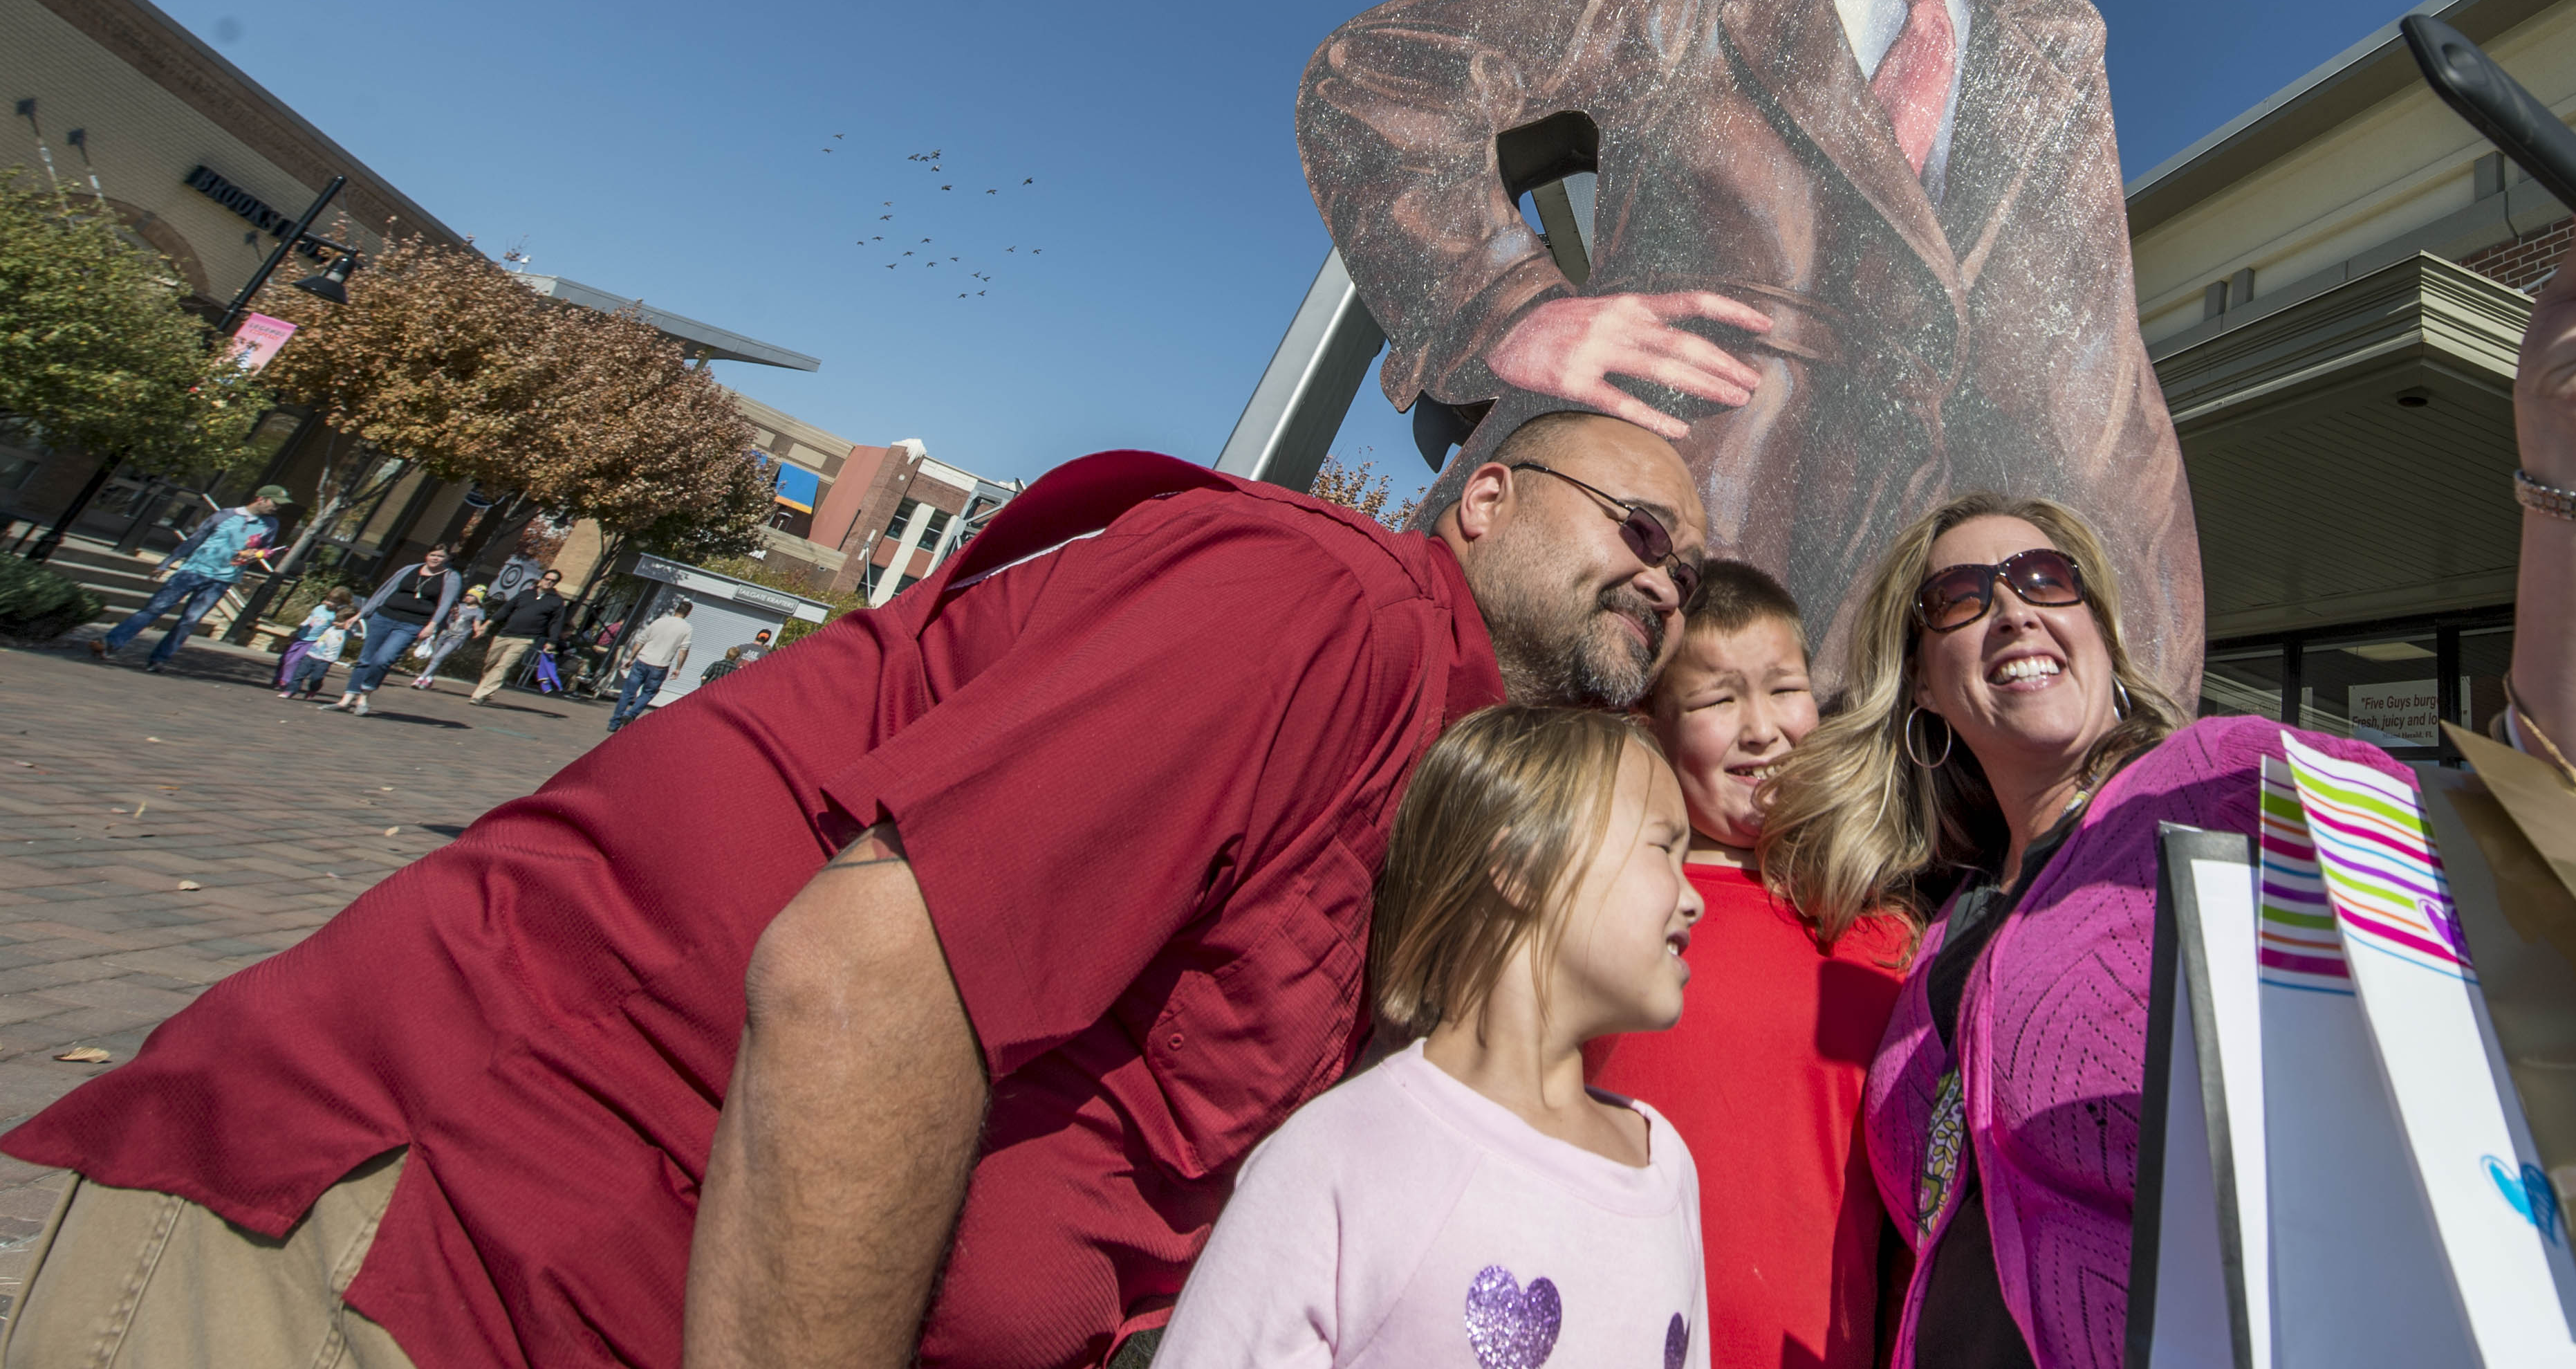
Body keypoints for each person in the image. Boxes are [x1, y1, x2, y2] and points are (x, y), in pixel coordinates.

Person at [0, 410, 1703, 1369]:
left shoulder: (1426, 755)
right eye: (1637, 521)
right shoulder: (1330, 605)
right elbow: (865, 981)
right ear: (1485, 494)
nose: (1664, 576)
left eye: (1690, 568)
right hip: (420, 1251)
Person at [1761, 132, 2576, 1369]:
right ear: (1924, 685)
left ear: (2100, 633)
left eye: (2044, 579)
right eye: (1959, 599)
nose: (2011, 611)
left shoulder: (2227, 781)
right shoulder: (1939, 930)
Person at [1304, 0, 2203, 693]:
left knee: (1801, 827)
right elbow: (1382, 72)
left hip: (1886, 556)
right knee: (1503, 789)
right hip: (1660, 478)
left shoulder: (2049, 45)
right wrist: (1504, 305)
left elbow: (2090, 371)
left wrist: (2145, 701)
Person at [1158, 704, 1712, 1369]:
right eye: (1663, 849)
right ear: (1522, 866)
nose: (1694, 898)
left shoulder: (1665, 1169)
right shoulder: (1342, 1154)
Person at [1586, 560, 1914, 1369]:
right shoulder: (1591, 909)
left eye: (1783, 688)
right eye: (1715, 699)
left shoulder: (1880, 938)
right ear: (1649, 720)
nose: (1760, 727)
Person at [93, 485, 291, 670]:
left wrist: (256, 555)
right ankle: (110, 643)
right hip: (193, 571)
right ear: (261, 499)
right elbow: (195, 539)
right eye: (275, 503)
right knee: (155, 609)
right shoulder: (225, 515)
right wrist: (168, 562)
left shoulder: (271, 525)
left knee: (190, 620)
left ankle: (159, 660)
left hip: (222, 579)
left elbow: (260, 550)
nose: (277, 508)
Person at [337, 547, 460, 715]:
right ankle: (347, 699)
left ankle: (364, 695)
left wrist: (432, 625)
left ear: (447, 559)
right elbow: (384, 592)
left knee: (383, 659)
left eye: (440, 556)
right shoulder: (409, 570)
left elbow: (445, 604)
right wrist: (361, 614)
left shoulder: (451, 577)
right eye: (433, 555)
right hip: (383, 617)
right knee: (365, 659)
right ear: (427, 555)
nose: (436, 558)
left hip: (412, 624)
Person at [467, 568, 575, 703]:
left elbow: (556, 622)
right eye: (547, 579)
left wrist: (552, 641)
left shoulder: (556, 601)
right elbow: (506, 609)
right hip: (505, 634)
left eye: (553, 581)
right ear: (542, 579)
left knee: (504, 666)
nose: (549, 583)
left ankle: (480, 695)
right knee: (490, 664)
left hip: (525, 639)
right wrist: (487, 624)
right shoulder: (526, 594)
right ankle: (487, 689)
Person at [606, 597, 696, 730]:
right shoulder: (686, 628)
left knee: (628, 693)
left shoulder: (659, 622)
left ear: (676, 609)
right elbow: (683, 650)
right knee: (648, 693)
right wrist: (678, 668)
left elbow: (641, 640)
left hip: (642, 660)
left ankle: (614, 723)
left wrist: (631, 658)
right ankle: (631, 713)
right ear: (688, 613)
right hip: (660, 665)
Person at [272, 590, 358, 699]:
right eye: (328, 600)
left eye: (333, 602)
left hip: (320, 650)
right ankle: (285, 684)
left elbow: (349, 631)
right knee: (293, 665)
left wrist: (348, 626)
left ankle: (301, 687)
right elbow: (312, 621)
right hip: (307, 643)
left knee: (307, 670)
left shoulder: (341, 623)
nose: (328, 603)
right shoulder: (323, 615)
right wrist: (303, 628)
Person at [403, 585, 486, 690]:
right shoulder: (459, 606)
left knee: (439, 657)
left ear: (478, 599)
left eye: (472, 596)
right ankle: (429, 679)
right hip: (445, 634)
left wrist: (478, 631)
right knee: (435, 657)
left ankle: (421, 678)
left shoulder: (478, 611)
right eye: (468, 595)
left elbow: (476, 625)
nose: (468, 597)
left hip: (457, 638)